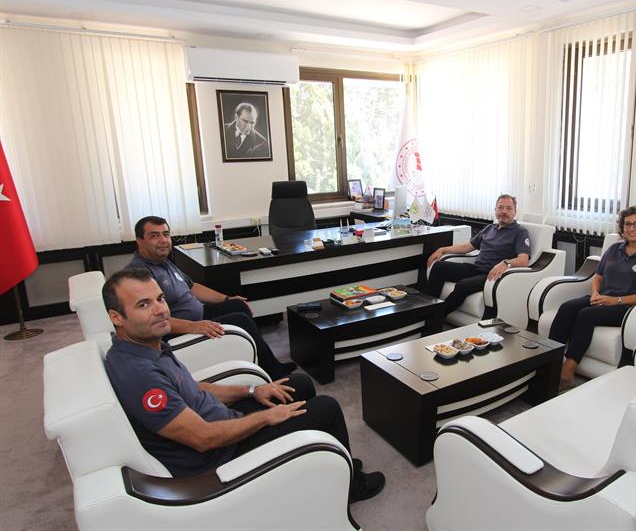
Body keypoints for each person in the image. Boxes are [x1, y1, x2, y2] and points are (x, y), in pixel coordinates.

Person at [102, 267, 385, 501]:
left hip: (224, 422)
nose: (161, 310)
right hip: (223, 454)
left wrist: (252, 390)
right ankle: (351, 487)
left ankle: (333, 462)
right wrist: (265, 417)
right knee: (327, 408)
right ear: (116, 317)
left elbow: (193, 388)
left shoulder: (147, 347)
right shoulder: (139, 375)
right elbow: (203, 438)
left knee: (297, 384)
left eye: (160, 299)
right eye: (143, 305)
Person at [127, 215, 296, 378]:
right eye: (154, 236)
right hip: (182, 330)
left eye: (166, 234)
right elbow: (151, 320)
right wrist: (194, 326)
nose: (163, 240)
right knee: (241, 320)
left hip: (199, 315)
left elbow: (192, 287)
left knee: (238, 305)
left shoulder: (163, 262)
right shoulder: (139, 275)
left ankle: (262, 361)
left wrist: (227, 298)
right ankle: (272, 372)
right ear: (140, 241)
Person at [549, 205, 636, 389]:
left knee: (586, 315)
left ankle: (567, 374)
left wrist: (615, 301)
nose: (632, 228)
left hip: (627, 307)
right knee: (567, 307)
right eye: (627, 224)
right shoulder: (614, 249)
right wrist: (595, 293)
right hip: (603, 298)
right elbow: (598, 277)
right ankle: (549, 364)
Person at [425, 194, 531, 316]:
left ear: (515, 212)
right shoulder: (489, 228)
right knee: (438, 267)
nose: (504, 211)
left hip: (491, 275)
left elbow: (523, 260)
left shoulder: (520, 232)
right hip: (475, 269)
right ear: (495, 210)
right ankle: (427, 307)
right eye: (500, 207)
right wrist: (442, 250)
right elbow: (466, 247)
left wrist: (506, 263)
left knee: (463, 285)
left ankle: (433, 317)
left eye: (509, 208)